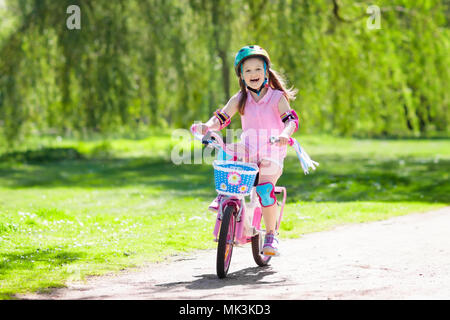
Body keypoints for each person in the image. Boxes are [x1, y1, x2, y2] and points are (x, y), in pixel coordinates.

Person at [195, 45, 299, 256]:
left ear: (266, 71)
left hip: (272, 149)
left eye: (258, 69)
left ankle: (271, 236)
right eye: (248, 70)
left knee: (264, 190)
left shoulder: (277, 97)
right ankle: (224, 195)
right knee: (228, 154)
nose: (253, 74)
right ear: (241, 75)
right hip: (249, 148)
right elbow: (221, 118)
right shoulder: (240, 98)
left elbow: (291, 120)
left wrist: (285, 135)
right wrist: (208, 126)